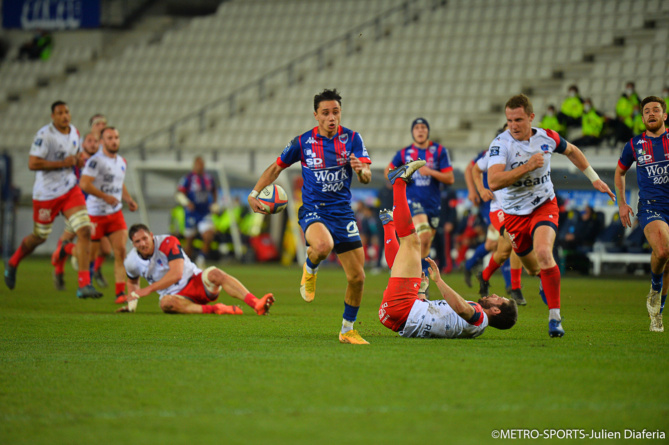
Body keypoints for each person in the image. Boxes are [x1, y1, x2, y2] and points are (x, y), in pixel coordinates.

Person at [248, 89, 372, 344]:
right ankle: (311, 265)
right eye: (325, 113)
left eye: (335, 112)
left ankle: (347, 330)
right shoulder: (302, 142)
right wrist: (254, 193)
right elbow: (275, 168)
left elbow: (366, 175)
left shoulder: (353, 139)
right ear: (315, 115)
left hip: (342, 213)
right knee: (323, 246)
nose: (331, 118)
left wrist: (360, 171)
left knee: (357, 277)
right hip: (314, 209)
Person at [487, 94, 615, 338]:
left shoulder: (547, 137)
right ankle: (543, 282)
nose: (513, 125)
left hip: (544, 205)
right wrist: (527, 167)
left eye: (519, 119)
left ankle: (555, 318)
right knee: (533, 268)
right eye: (510, 120)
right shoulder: (500, 144)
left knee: (545, 253)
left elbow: (573, 150)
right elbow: (493, 181)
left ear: (531, 117)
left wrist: (594, 178)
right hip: (514, 215)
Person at [378, 159, 518, 339]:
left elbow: (462, 309)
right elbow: (433, 318)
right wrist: (421, 291)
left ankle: (399, 182)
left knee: (412, 242)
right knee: (403, 264)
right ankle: (389, 224)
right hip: (397, 318)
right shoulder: (476, 330)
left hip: (403, 309)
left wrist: (439, 281)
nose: (495, 295)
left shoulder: (479, 316)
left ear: (496, 310)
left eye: (499, 299)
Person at [4, 101, 102, 299]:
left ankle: (84, 285)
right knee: (39, 237)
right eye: (60, 113)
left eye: (67, 112)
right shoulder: (44, 135)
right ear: (53, 116)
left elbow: (74, 157)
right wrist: (62, 163)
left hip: (69, 189)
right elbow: (32, 163)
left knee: (84, 230)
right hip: (46, 194)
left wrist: (78, 161)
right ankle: (13, 262)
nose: (65, 116)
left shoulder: (74, 132)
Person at [119, 224, 275, 315]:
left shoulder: (167, 242)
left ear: (151, 236)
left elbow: (176, 274)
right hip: (176, 297)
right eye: (137, 241)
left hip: (196, 281)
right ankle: (216, 309)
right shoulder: (131, 262)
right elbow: (133, 282)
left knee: (215, 272)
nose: (142, 243)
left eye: (145, 238)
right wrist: (132, 305)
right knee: (165, 304)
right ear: (133, 244)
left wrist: (148, 290)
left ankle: (255, 303)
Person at [615, 95, 669, 333]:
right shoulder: (634, 144)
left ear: (664, 115)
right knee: (664, 250)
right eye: (646, 111)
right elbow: (620, 172)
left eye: (656, 110)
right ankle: (654, 290)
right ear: (643, 117)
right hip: (651, 206)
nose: (651, 113)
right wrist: (622, 203)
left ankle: (657, 311)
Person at [384, 118, 454, 284]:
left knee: (426, 241)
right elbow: (389, 170)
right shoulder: (404, 153)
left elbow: (450, 178)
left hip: (433, 204)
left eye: (423, 127)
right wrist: (403, 177)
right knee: (423, 236)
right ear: (412, 132)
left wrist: (430, 172)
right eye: (417, 128)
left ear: (427, 131)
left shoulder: (439, 151)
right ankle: (418, 280)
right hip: (413, 201)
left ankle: (416, 277)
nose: (420, 130)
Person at [79, 127, 138, 304]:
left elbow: (119, 183)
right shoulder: (96, 161)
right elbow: (84, 183)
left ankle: (120, 293)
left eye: (116, 137)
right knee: (91, 254)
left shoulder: (122, 161)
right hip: (96, 213)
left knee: (120, 252)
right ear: (102, 141)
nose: (114, 141)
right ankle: (84, 283)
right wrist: (105, 197)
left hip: (115, 213)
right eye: (110, 138)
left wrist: (128, 199)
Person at [471, 150, 526, 305]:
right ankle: (515, 287)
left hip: (520, 210)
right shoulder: (496, 150)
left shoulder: (526, 151)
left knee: (502, 253)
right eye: (510, 125)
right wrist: (481, 189)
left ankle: (484, 276)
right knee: (515, 238)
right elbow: (475, 169)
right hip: (499, 210)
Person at [51, 131, 99, 290]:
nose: (93, 144)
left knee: (102, 247)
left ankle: (66, 253)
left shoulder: (98, 161)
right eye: (90, 141)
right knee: (81, 240)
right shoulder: (77, 162)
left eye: (96, 141)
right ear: (83, 143)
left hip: (94, 208)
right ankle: (64, 271)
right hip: (78, 206)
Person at [176, 157, 218, 267]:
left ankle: (201, 259)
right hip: (191, 213)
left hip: (204, 212)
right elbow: (179, 192)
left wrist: (214, 203)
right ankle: (185, 265)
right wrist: (186, 202)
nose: (201, 166)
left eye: (202, 164)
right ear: (194, 165)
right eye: (199, 164)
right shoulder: (188, 178)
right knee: (189, 240)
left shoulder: (209, 178)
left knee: (209, 235)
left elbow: (214, 190)